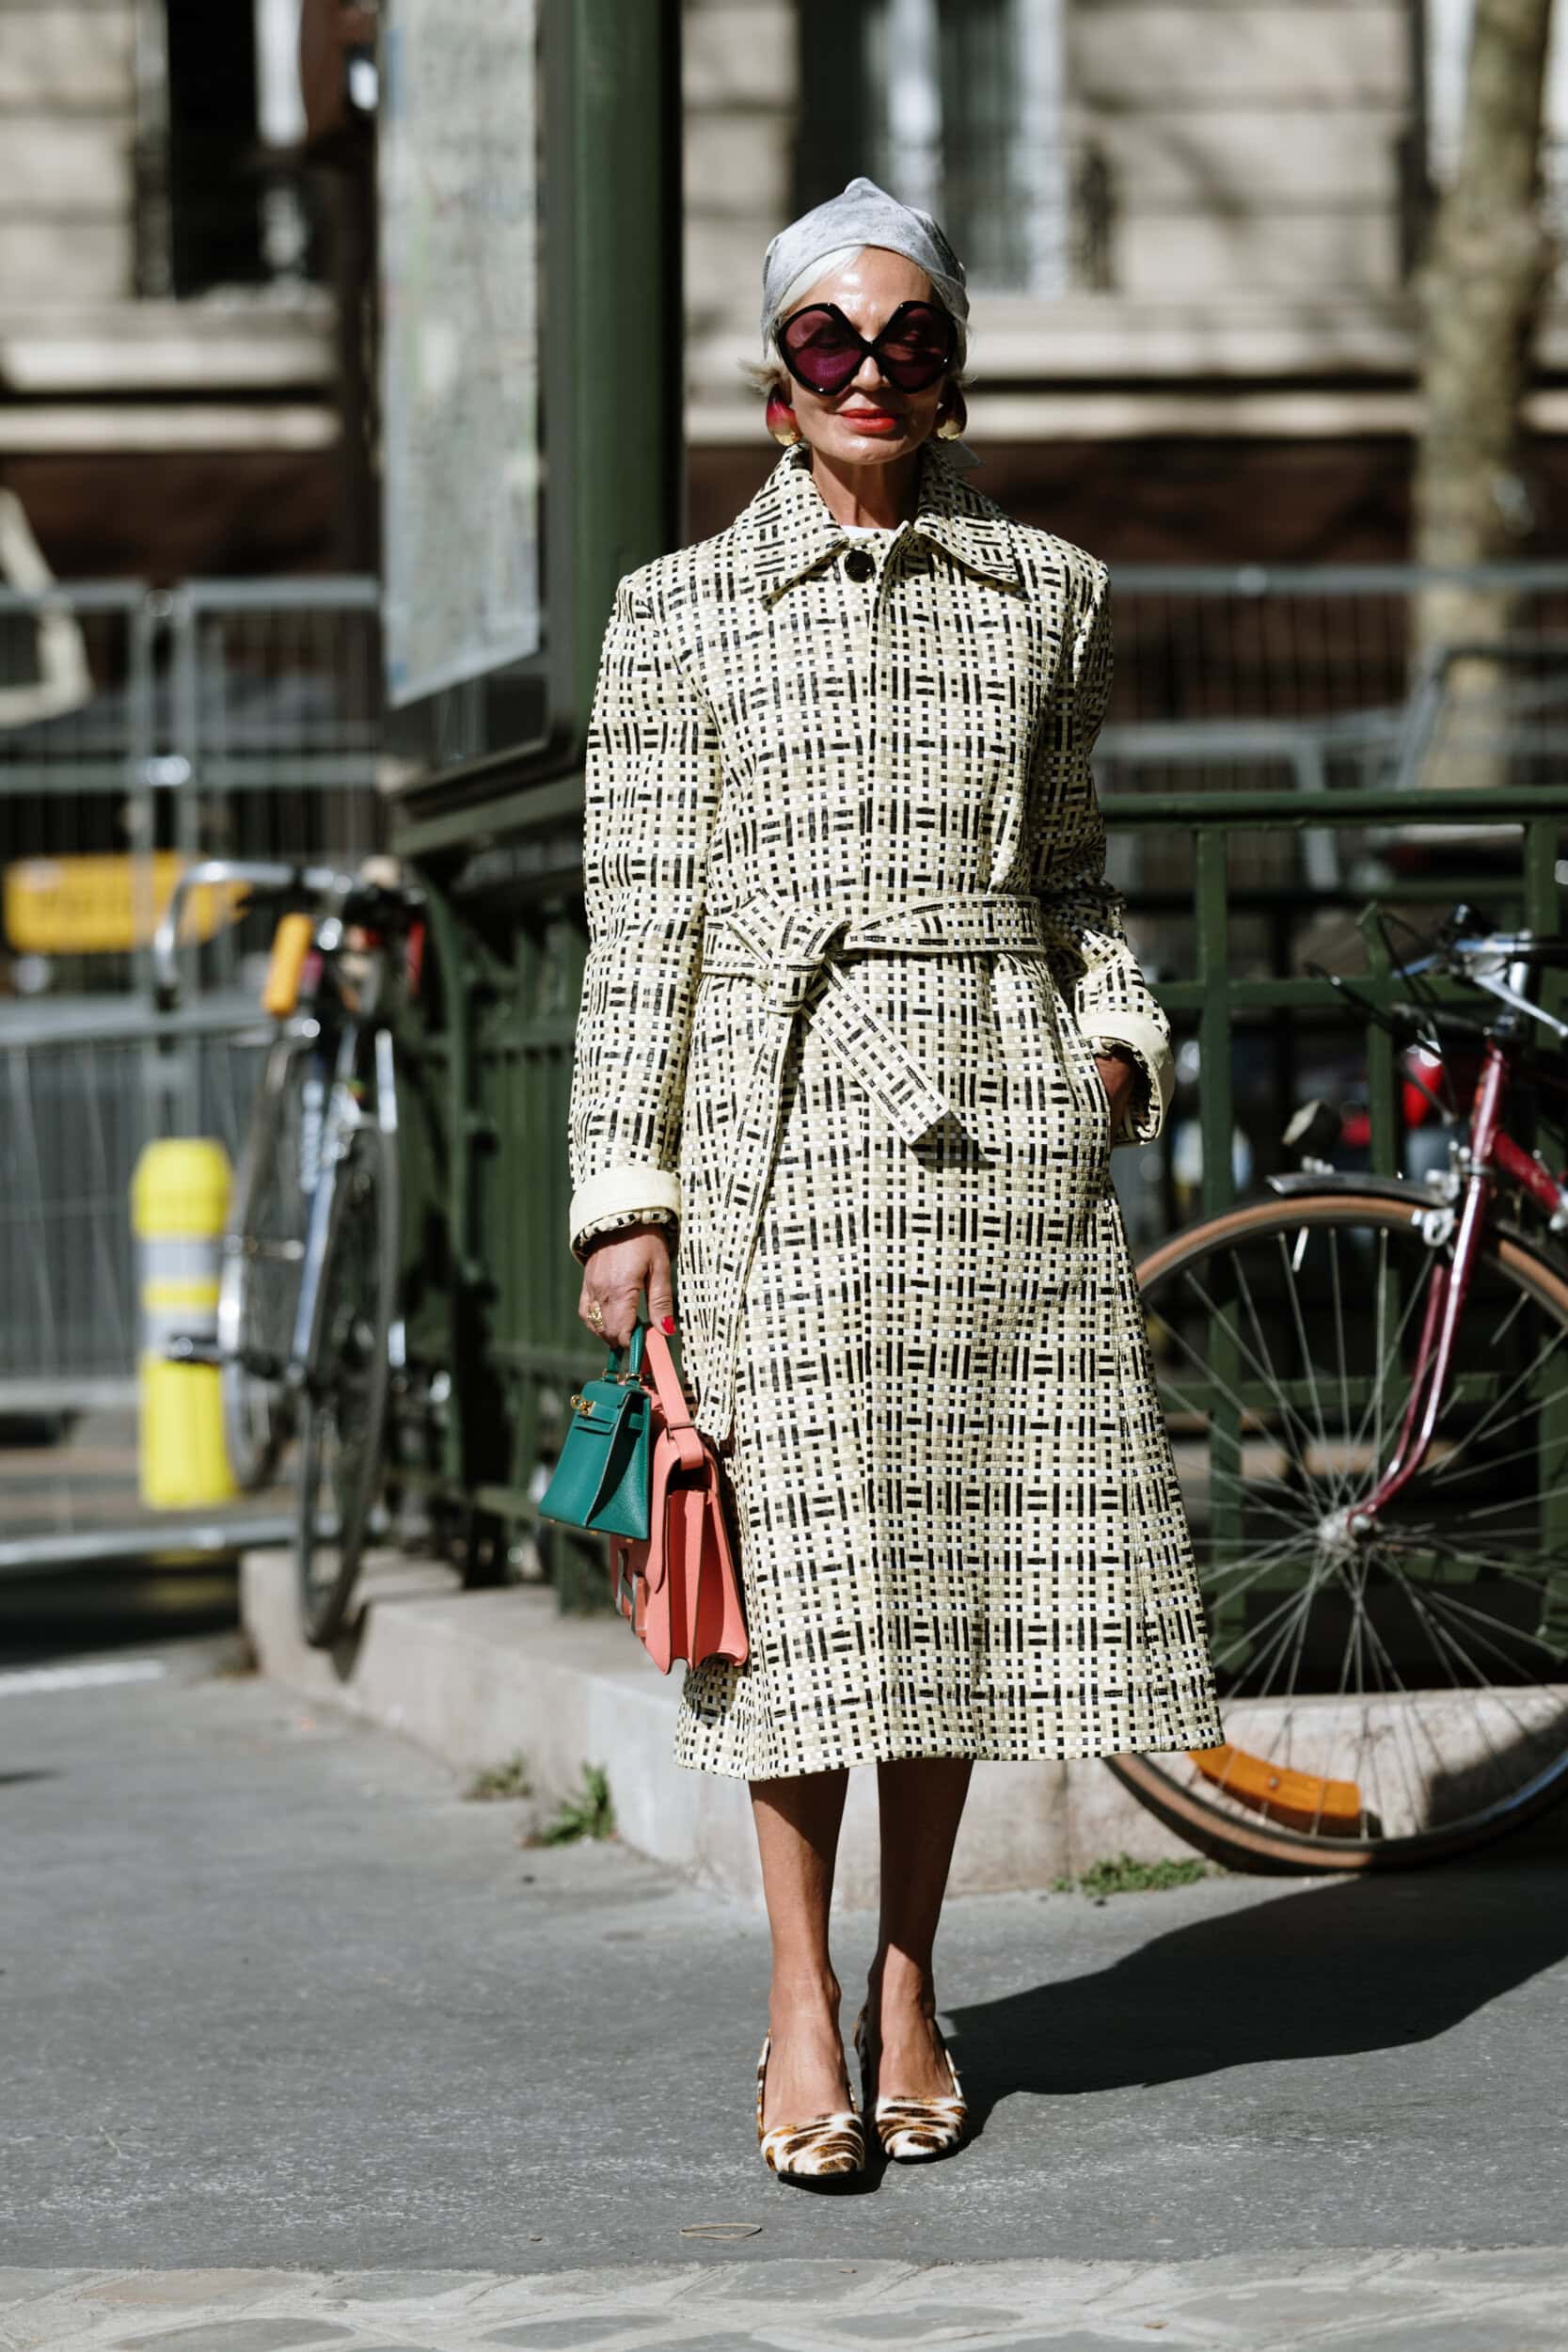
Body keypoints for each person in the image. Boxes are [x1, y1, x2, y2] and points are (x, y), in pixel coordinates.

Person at [566, 175, 1223, 2185]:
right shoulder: (676, 610)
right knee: (792, 1602)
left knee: (936, 1581)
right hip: (776, 1149)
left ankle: (913, 1978)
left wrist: (1113, 1038)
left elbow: (1076, 882)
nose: (869, 370)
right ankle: (793, 1992)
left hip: (999, 1144)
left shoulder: (1053, 594)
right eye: (830, 341)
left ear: (949, 376)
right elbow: (640, 920)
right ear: (777, 380)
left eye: (907, 338)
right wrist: (625, 1188)